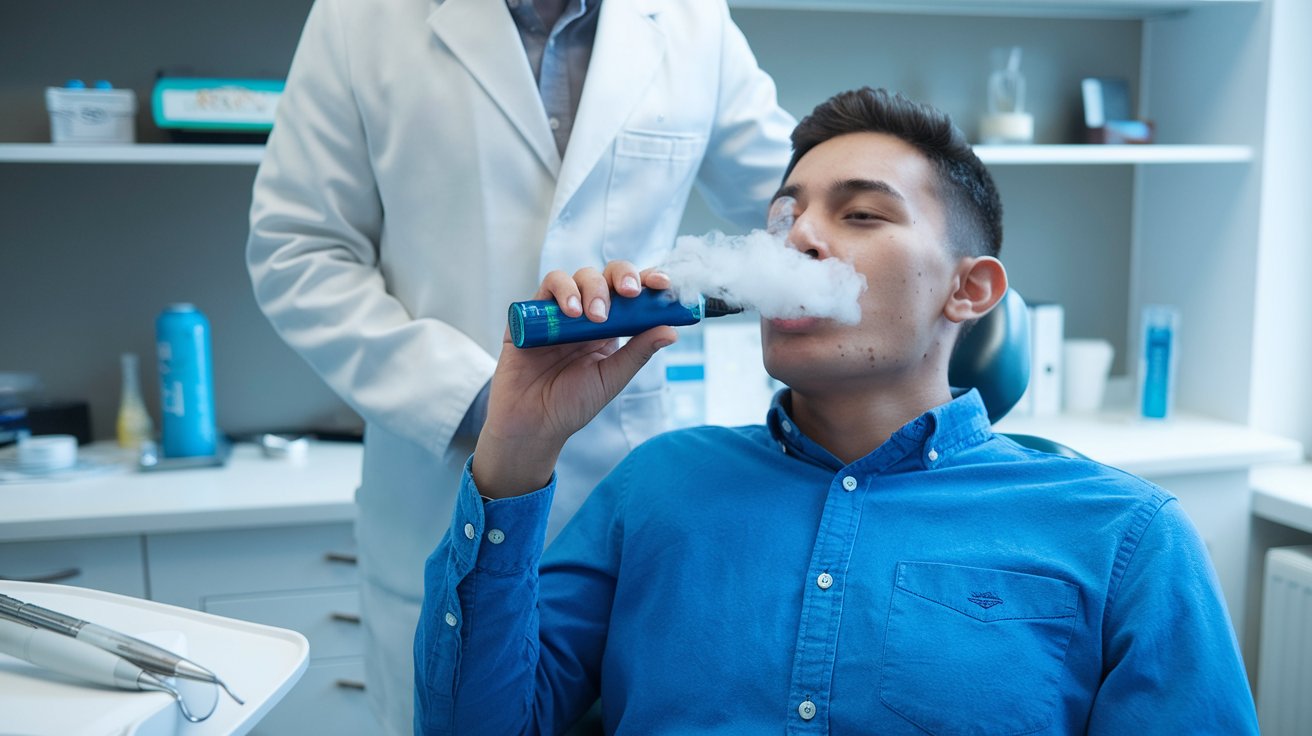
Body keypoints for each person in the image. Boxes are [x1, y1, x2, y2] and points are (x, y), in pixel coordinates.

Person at [413, 87, 1258, 734]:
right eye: (786, 216)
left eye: (860, 214)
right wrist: (517, 445)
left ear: (969, 289)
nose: (797, 239)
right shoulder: (657, 489)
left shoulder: (1126, 539)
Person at [245, 0, 795, 731]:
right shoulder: (360, 18)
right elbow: (297, 250)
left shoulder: (693, 20)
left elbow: (800, 206)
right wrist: (484, 404)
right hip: (441, 489)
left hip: (623, 495)